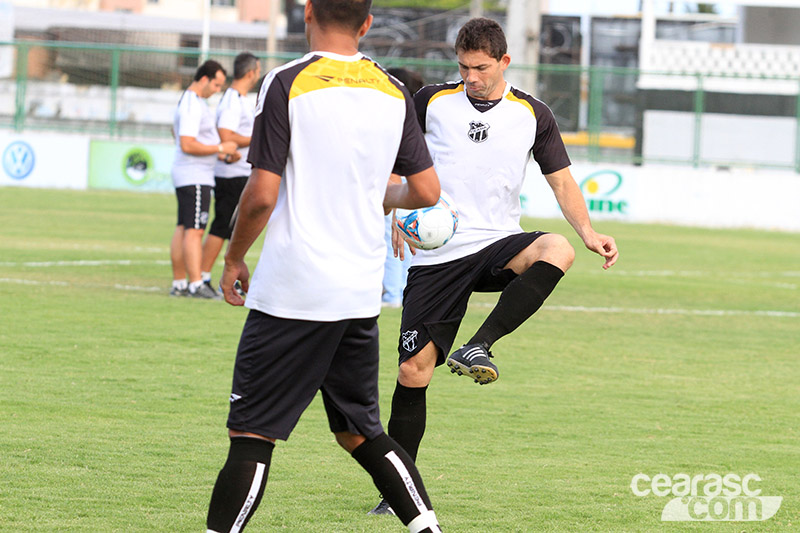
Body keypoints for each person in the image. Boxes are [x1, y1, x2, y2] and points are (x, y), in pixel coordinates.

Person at [205, 1, 444, 532]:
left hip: (293, 289)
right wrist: (377, 195)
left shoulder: (286, 81)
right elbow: (427, 191)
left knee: (252, 434)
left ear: (308, 12)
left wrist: (234, 256)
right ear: (367, 23)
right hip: (357, 292)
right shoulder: (391, 90)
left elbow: (261, 195)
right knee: (360, 432)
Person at [368, 17, 619, 515]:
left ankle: (478, 345)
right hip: (439, 252)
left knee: (558, 249)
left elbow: (561, 181)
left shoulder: (533, 113)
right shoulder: (430, 101)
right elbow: (395, 157)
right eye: (463, 67)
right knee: (413, 371)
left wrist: (589, 233)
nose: (471, 77)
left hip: (497, 243)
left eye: (480, 68)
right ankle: (395, 495)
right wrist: (397, 205)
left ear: (504, 61)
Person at [169, 60, 239, 299]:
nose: (217, 90)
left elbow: (182, 137)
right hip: (195, 175)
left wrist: (221, 154)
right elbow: (187, 144)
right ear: (204, 79)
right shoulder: (192, 104)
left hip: (191, 173)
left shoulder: (191, 102)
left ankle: (180, 282)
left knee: (184, 227)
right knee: (195, 230)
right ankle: (196, 283)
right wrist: (221, 147)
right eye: (216, 85)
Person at [200, 52, 262, 292]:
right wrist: (256, 139)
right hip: (231, 174)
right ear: (251, 73)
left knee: (234, 229)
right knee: (222, 226)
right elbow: (226, 136)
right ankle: (202, 278)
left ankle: (228, 276)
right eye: (258, 70)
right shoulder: (232, 101)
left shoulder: (240, 99)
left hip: (239, 173)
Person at [382, 68, 425, 308]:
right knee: (407, 243)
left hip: (397, 190)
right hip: (411, 191)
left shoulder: (396, 118)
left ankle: (392, 295)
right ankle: (401, 292)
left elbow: (395, 164)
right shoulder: (415, 119)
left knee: (392, 242)